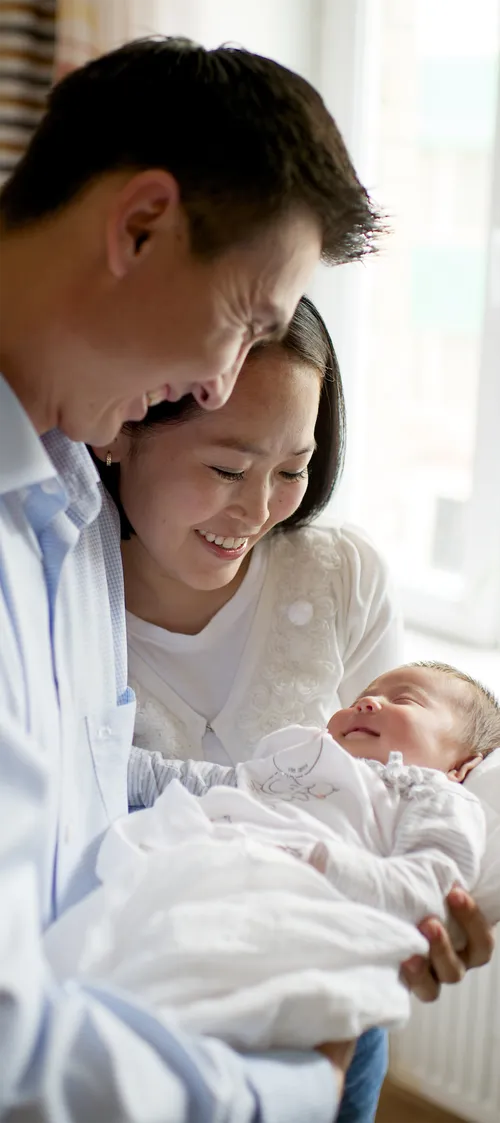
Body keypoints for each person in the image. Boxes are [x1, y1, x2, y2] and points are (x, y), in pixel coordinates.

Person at [0, 33, 402, 1123]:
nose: (221, 381)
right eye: (245, 322)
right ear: (139, 226)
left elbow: (93, 796)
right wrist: (293, 1084)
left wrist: (335, 861)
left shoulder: (74, 508)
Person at [96, 298, 495, 1119]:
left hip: (333, 1003)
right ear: (123, 426)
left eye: (293, 469)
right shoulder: (57, 586)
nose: (259, 510)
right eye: (227, 468)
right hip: (157, 996)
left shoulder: (339, 575)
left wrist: (450, 915)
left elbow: (410, 785)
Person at [46, 662, 498, 1056]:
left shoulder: (431, 794)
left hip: (302, 915)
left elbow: (424, 890)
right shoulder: (297, 762)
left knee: (189, 1006)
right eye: (364, 697)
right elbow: (189, 781)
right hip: (202, 883)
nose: (367, 704)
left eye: (405, 700)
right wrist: (93, 756)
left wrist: (316, 860)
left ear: (460, 767)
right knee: (104, 965)